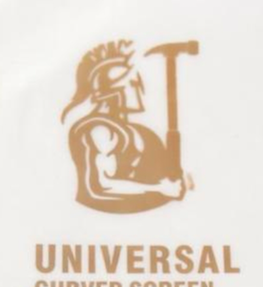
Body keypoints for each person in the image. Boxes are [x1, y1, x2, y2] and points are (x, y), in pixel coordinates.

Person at [61, 40, 185, 213]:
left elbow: (166, 178)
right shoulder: (99, 130)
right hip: (97, 224)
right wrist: (161, 188)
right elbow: (101, 186)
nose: (139, 88)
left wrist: (180, 181)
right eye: (132, 83)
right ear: (112, 91)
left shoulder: (141, 132)